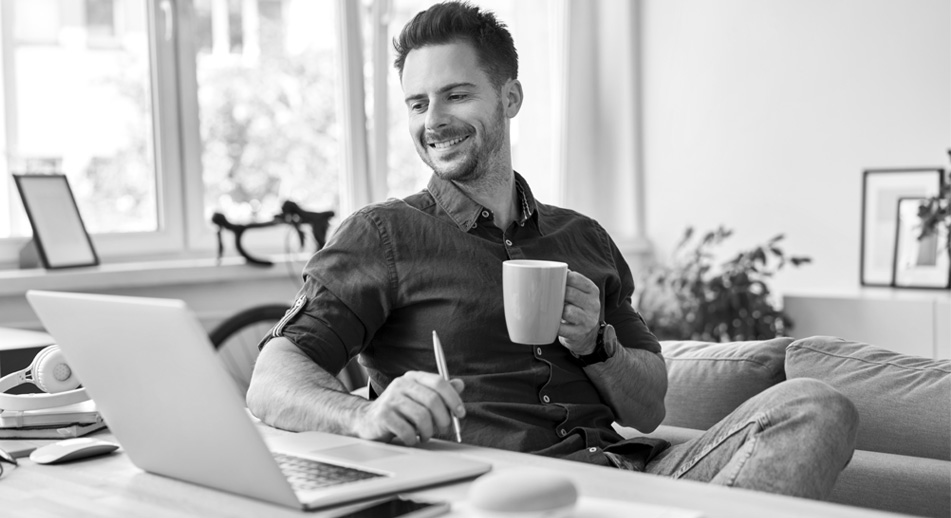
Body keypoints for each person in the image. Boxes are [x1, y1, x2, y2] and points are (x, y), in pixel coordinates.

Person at [247, 0, 857, 500]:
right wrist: (364, 416)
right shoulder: (381, 236)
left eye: (456, 95)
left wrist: (597, 344)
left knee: (817, 406)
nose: (433, 121)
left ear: (509, 99)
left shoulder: (583, 236)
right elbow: (271, 381)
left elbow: (647, 407)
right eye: (417, 103)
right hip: (507, 495)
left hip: (634, 478)